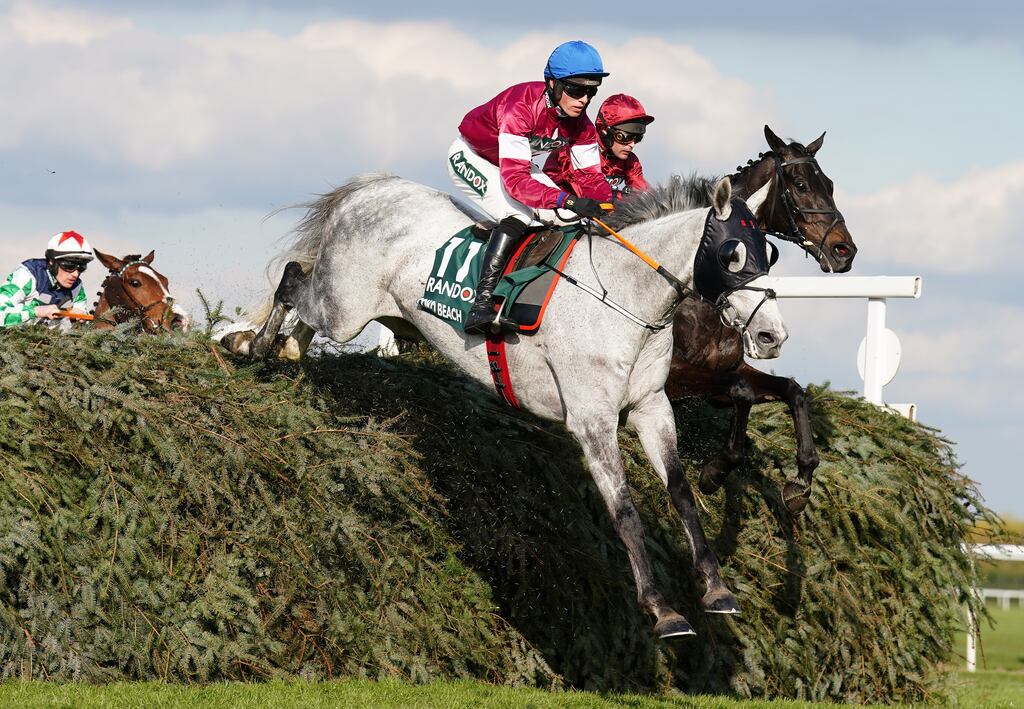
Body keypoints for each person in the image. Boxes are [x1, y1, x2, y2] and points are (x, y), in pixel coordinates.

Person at [448, 40, 614, 334]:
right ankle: (481, 304)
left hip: (517, 164)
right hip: (472, 156)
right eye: (576, 90)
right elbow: (516, 183)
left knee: (563, 218)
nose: (584, 99)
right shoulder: (521, 107)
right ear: (552, 84)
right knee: (519, 216)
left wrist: (610, 208)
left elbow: (591, 178)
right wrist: (568, 199)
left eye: (591, 91)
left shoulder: (583, 126)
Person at [545, 93, 654, 199]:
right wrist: (621, 197)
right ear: (604, 132)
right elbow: (588, 193)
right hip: (550, 208)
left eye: (638, 138)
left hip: (587, 212)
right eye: (626, 137)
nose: (632, 144)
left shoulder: (630, 160)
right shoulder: (579, 151)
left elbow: (644, 192)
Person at [0, 231, 94, 328]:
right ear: (51, 261)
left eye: (81, 268)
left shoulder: (76, 286)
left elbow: (81, 329)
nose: (76, 274)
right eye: (70, 266)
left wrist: (77, 319)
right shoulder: (28, 274)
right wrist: (36, 311)